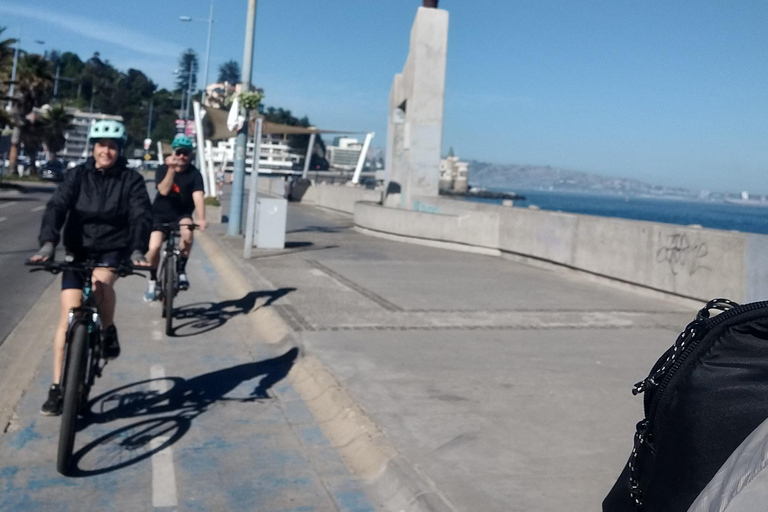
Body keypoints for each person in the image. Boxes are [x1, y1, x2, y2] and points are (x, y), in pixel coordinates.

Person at [31, 119, 152, 416]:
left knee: (100, 286)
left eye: (112, 147)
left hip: (113, 248)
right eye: (101, 146)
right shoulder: (76, 176)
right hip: (78, 249)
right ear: (93, 147)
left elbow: (140, 215)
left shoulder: (131, 180)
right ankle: (58, 387)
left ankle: (108, 330)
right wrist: (48, 243)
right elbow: (57, 207)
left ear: (119, 150)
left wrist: (137, 248)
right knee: (68, 314)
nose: (106, 152)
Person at [144, 134, 207, 301]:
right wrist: (171, 169)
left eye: (185, 153)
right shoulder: (162, 169)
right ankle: (152, 281)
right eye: (179, 153)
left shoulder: (195, 174)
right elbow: (163, 190)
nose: (182, 157)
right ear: (173, 153)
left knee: (187, 233)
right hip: (159, 214)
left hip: (182, 214)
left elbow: (198, 196)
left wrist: (201, 218)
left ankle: (180, 270)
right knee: (154, 247)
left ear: (191, 155)